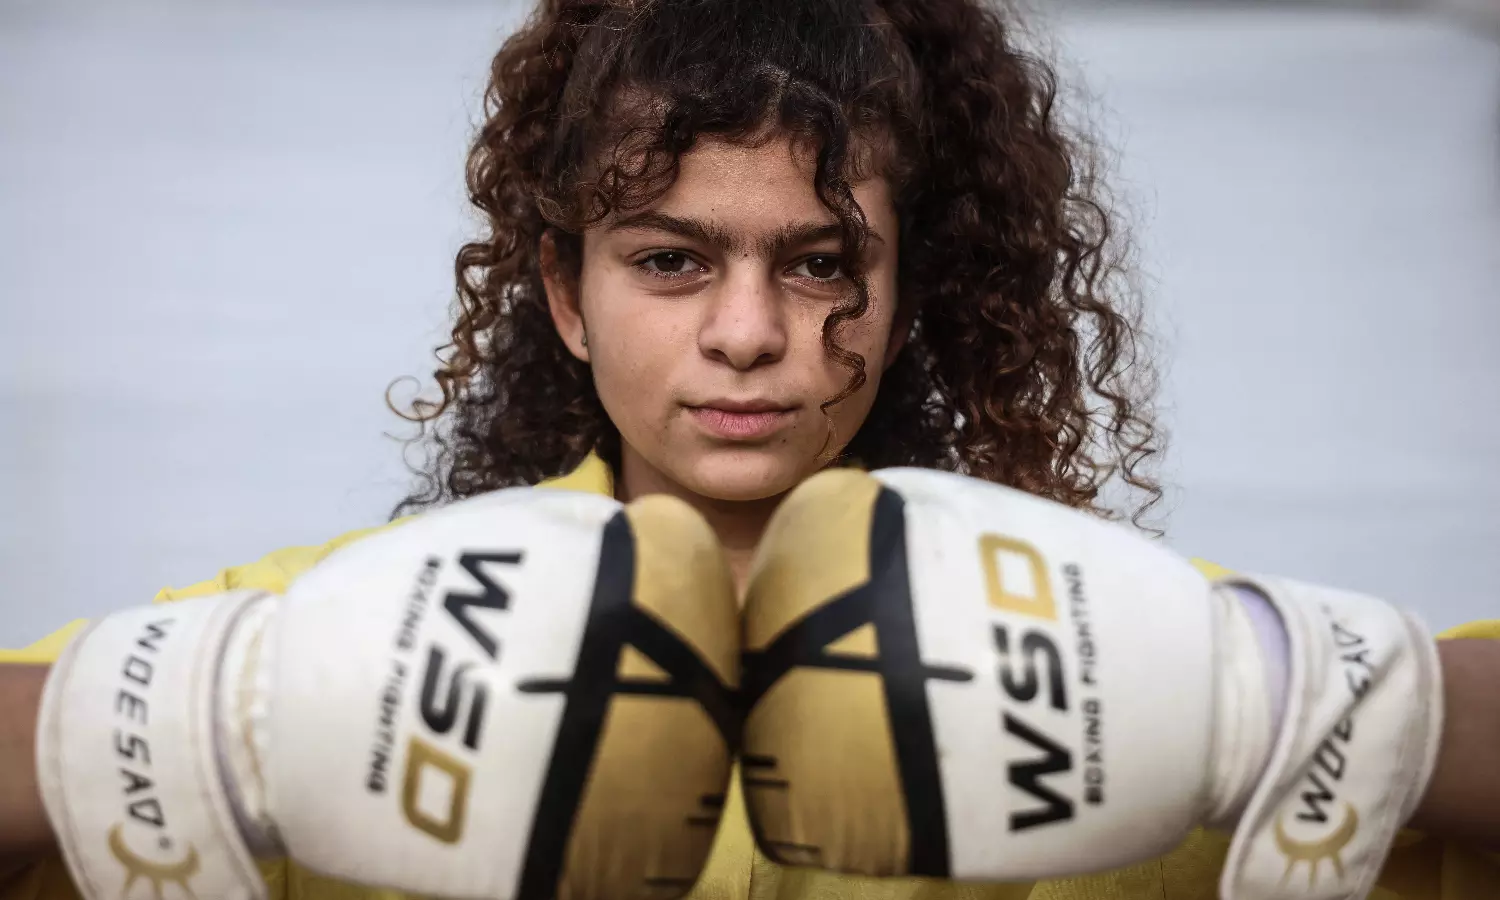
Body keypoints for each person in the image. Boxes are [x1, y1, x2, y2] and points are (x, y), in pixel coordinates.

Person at [2, 0, 1497, 899]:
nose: (745, 333)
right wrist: (222, 719)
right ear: (565, 296)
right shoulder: (334, 633)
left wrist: (1280, 697)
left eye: (820, 262)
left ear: (905, 298)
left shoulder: (1123, 656)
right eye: (669, 261)